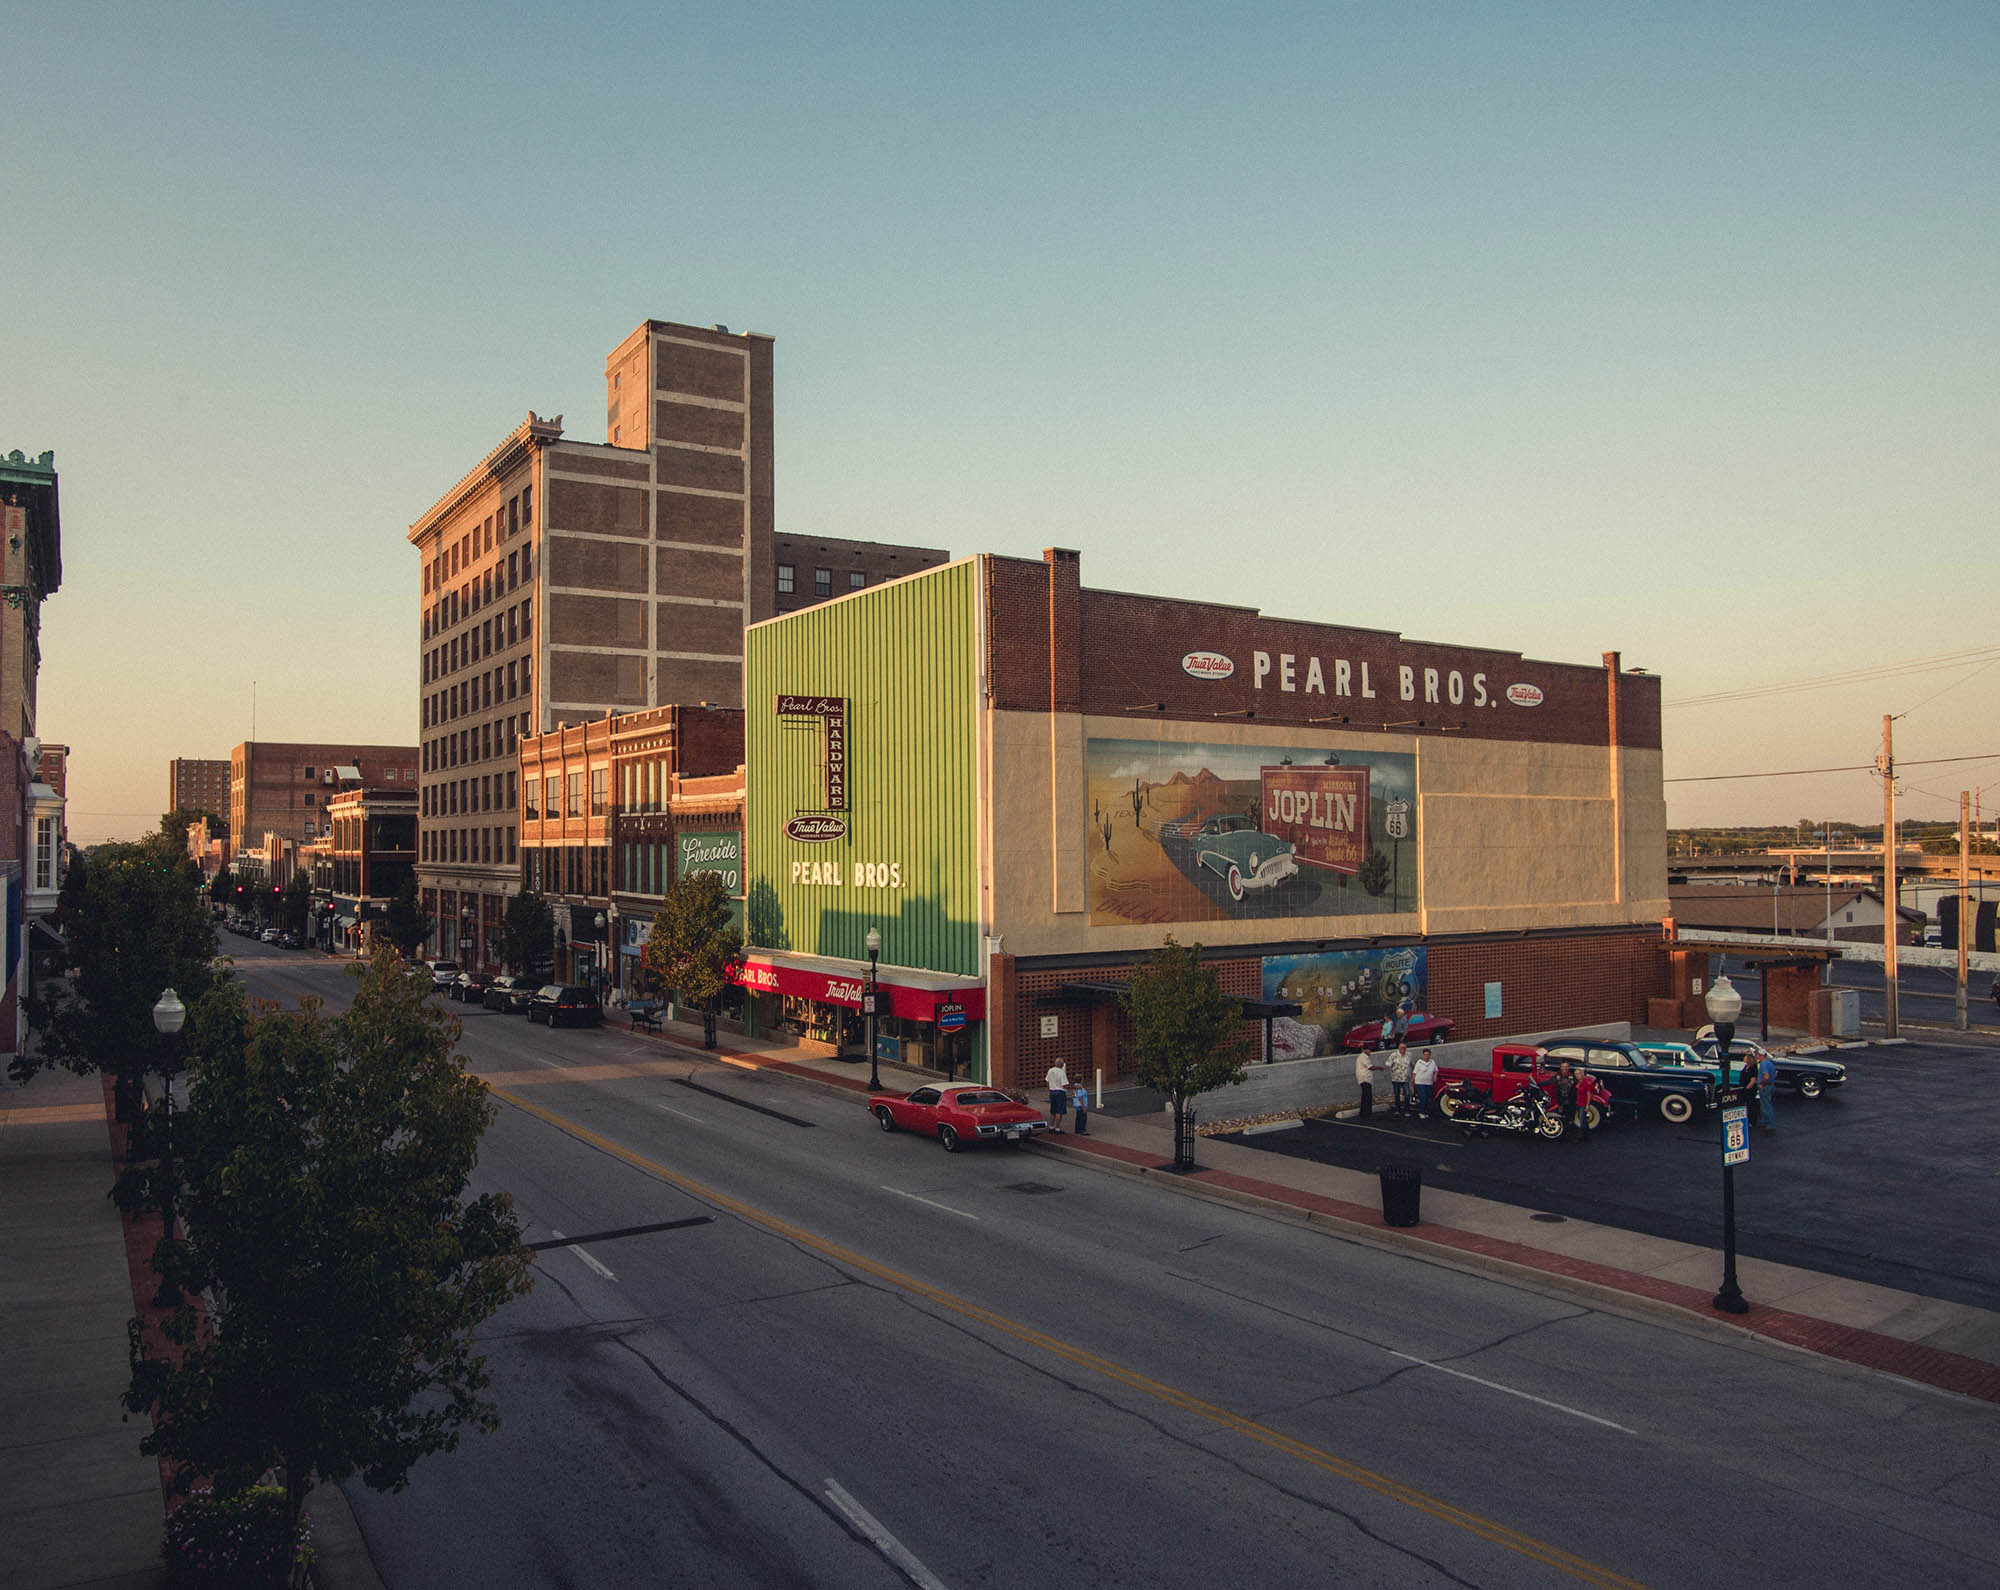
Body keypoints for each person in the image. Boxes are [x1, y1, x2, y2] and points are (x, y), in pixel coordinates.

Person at [1412, 1048, 1438, 1120]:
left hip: (1428, 1082)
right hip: (1420, 1082)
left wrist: (1435, 1076)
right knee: (1423, 1096)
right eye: (1425, 1055)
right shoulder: (1419, 1062)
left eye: (1428, 1054)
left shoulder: (1432, 1062)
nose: (1426, 1056)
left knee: (1427, 1097)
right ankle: (1421, 1112)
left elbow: (1436, 1070)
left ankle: (1425, 1111)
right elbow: (1414, 1073)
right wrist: (1413, 1082)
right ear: (1423, 1055)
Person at [1388, 1043, 1412, 1116]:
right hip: (1396, 1079)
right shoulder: (1393, 1055)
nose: (1403, 1049)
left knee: (1407, 1094)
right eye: (1401, 1047)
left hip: (1405, 1079)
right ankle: (1398, 1110)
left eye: (1404, 1047)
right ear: (1398, 1047)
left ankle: (1406, 1110)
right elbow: (1388, 1064)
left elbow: (1411, 1064)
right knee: (1397, 1095)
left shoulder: (1409, 1055)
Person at [1046, 1060, 1070, 1133]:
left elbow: (1047, 1081)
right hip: (1060, 1092)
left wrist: (1049, 1089)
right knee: (1059, 1111)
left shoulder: (1050, 1070)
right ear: (1061, 1064)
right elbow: (1064, 1085)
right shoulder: (1061, 1072)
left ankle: (1051, 1127)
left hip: (1052, 1091)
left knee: (1053, 1110)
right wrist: (1074, 1087)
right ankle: (1057, 1128)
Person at [1756, 1048, 1777, 1132]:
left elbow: (1766, 1076)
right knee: (1766, 1104)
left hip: (1765, 1087)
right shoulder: (1769, 1063)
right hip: (1771, 1085)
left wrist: (1761, 1083)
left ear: (1760, 1055)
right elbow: (1775, 1074)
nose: (1756, 1055)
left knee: (1766, 1105)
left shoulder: (1763, 1064)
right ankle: (1765, 1122)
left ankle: (1769, 1124)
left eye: (1757, 1054)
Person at [1355, 1046, 1379, 1118]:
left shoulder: (1361, 1057)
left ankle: (1363, 1112)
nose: (1370, 1052)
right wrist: (1379, 1068)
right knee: (1368, 1097)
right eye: (1369, 1050)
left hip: (1363, 1079)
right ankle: (1367, 1113)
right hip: (1365, 1079)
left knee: (1365, 1096)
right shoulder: (1364, 1057)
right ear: (1365, 1050)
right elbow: (1370, 1067)